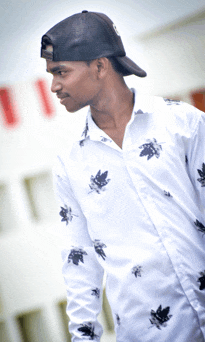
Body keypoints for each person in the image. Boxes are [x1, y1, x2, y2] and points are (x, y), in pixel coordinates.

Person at [40, 10, 205, 341]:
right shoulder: (71, 163)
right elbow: (80, 260)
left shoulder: (183, 124)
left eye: (61, 72)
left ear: (100, 66)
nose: (54, 85)